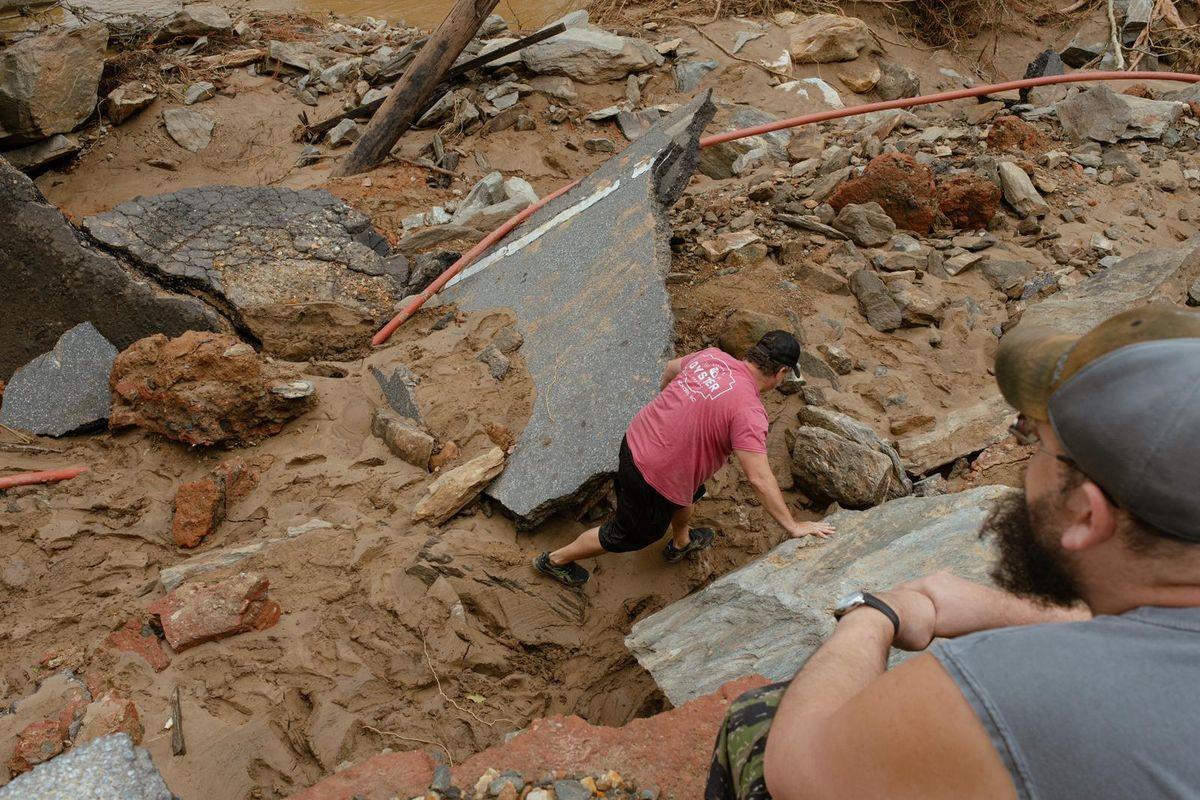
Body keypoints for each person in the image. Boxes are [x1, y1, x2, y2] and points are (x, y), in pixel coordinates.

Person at [706, 304, 1200, 800]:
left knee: (756, 719)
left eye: (1032, 437)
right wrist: (1001, 608)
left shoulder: (1012, 688)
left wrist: (872, 613)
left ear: (1086, 514)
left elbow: (798, 768)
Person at [533, 330, 836, 587]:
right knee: (628, 534)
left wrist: (671, 402)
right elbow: (758, 477)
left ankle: (681, 541)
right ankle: (555, 560)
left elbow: (670, 368)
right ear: (781, 373)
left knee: (691, 490)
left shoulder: (713, 357)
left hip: (637, 438)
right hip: (654, 476)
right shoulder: (749, 412)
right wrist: (793, 526)